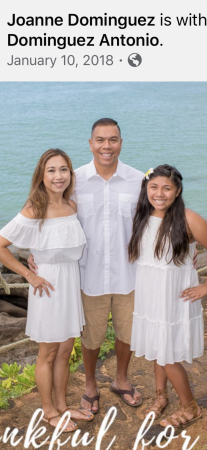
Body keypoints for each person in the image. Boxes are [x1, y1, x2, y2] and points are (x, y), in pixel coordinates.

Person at [28, 118, 144, 413]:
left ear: (121, 142)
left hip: (129, 274)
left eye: (113, 140)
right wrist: (34, 252)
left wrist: (186, 247)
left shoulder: (137, 180)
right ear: (90, 143)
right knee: (91, 337)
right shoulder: (72, 180)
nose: (107, 146)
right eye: (101, 140)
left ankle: (121, 379)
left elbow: (154, 218)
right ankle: (90, 385)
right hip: (86, 276)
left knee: (126, 335)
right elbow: (50, 216)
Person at [0, 149, 94, 432]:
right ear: (42, 175)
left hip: (69, 283)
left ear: (70, 174)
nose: (58, 176)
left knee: (66, 349)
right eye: (51, 170)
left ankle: (63, 406)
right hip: (48, 287)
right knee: (48, 353)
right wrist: (29, 273)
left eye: (63, 169)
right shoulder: (34, 209)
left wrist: (33, 255)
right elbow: (2, 246)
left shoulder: (72, 206)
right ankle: (48, 410)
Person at [128, 164, 206, 427]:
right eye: (154, 187)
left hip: (175, 299)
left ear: (177, 190)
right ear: (146, 189)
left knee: (168, 356)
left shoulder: (188, 218)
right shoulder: (142, 216)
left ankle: (190, 406)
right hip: (152, 296)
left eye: (166, 188)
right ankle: (161, 397)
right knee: (157, 348)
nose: (159, 193)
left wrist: (205, 287)